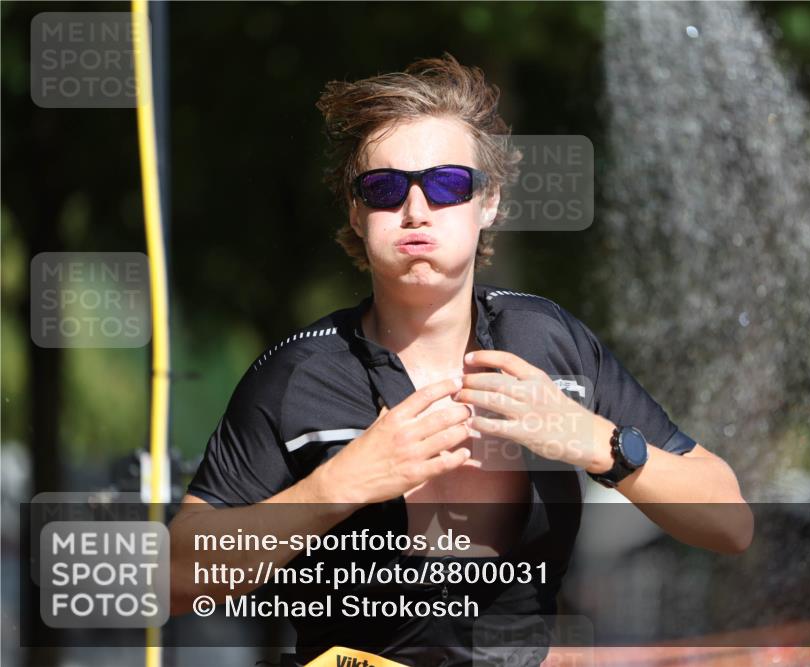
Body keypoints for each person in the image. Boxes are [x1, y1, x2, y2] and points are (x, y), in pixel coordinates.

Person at [169, 52, 752, 667]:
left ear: (489, 201)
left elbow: (731, 524)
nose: (416, 210)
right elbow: (174, 578)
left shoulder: (550, 341)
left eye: (447, 184)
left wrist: (595, 441)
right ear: (355, 210)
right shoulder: (298, 375)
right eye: (386, 188)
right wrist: (334, 487)